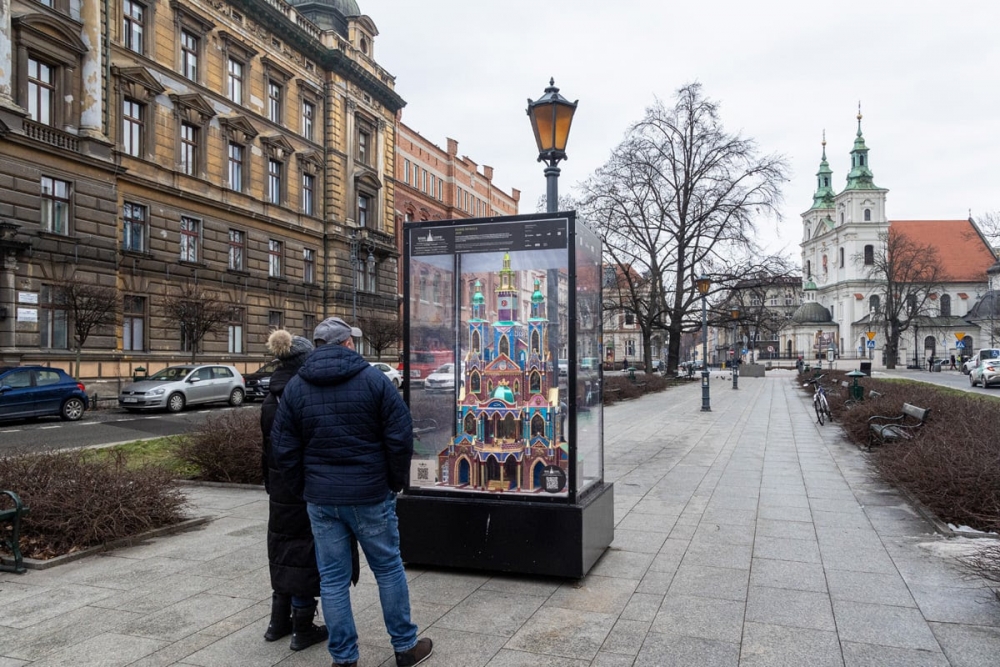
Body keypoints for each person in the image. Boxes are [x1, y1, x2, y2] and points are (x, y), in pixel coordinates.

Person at [271, 317, 433, 667]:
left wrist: (306, 487)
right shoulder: (374, 380)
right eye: (352, 341)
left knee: (332, 579)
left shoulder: (298, 387)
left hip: (322, 499)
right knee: (388, 568)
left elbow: (283, 448)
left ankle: (344, 659)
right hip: (370, 494)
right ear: (347, 344)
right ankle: (405, 648)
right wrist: (392, 481)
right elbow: (400, 435)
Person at [259, 330, 329, 651]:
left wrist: (269, 483)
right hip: (301, 484)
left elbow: (266, 447)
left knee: (282, 547)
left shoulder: (271, 395)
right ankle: (302, 627)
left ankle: (277, 622)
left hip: (278, 486)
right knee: (303, 551)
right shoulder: (303, 394)